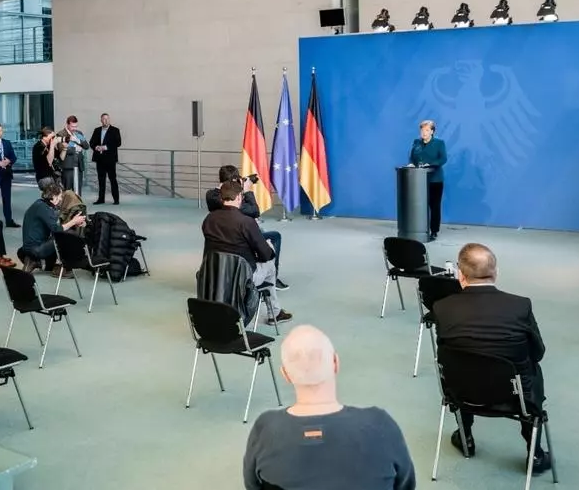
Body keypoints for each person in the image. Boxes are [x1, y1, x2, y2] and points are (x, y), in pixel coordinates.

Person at [243, 325, 416, 490]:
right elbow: (405, 485)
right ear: (335, 362)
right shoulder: (381, 425)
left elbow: (253, 485)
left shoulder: (265, 429)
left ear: (286, 374)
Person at [431, 243, 551, 475]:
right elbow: (538, 353)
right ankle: (535, 454)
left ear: (460, 274)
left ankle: (465, 436)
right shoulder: (520, 305)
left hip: (462, 392)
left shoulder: (442, 307)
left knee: (462, 364)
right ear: (495, 272)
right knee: (529, 370)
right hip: (516, 396)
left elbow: (443, 350)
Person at [202, 180, 291, 324]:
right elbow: (265, 254)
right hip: (243, 277)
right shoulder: (245, 222)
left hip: (216, 274)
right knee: (270, 266)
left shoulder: (208, 219)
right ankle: (274, 313)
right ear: (238, 197)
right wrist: (269, 251)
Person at [206, 165, 288, 290]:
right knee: (274, 237)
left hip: (221, 233)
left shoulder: (211, 197)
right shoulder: (231, 200)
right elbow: (254, 211)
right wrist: (248, 191)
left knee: (261, 231)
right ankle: (272, 280)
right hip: (238, 234)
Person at [20, 179, 86, 275]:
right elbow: (57, 229)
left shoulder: (39, 204)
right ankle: (64, 268)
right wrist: (74, 222)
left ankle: (38, 262)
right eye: (59, 196)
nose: (60, 199)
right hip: (36, 249)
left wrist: (73, 222)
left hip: (29, 247)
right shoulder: (44, 208)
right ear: (53, 196)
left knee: (60, 236)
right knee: (68, 235)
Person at [408, 119, 447, 240]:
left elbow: (443, 159)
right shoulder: (416, 142)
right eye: (422, 130)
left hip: (434, 180)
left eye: (426, 130)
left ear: (432, 131)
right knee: (419, 205)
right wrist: (412, 164)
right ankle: (418, 229)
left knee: (434, 206)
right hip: (418, 180)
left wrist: (430, 164)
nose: (424, 133)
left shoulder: (439, 143)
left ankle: (434, 231)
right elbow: (412, 157)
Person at [89, 112, 122, 205]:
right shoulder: (97, 130)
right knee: (101, 180)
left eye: (107, 119)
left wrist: (105, 147)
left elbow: (118, 143)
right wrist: (96, 147)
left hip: (110, 159)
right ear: (101, 120)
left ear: (109, 120)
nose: (105, 120)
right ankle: (101, 199)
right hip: (99, 159)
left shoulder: (115, 130)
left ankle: (116, 200)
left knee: (113, 179)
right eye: (104, 119)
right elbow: (92, 142)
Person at [56, 115, 89, 195]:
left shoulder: (79, 133)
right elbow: (61, 149)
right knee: (67, 191)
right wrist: (75, 148)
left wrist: (77, 140)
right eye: (72, 126)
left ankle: (77, 207)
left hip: (79, 166)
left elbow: (86, 146)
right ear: (67, 124)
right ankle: (67, 207)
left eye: (76, 126)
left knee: (78, 191)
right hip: (68, 167)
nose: (74, 128)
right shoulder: (61, 134)